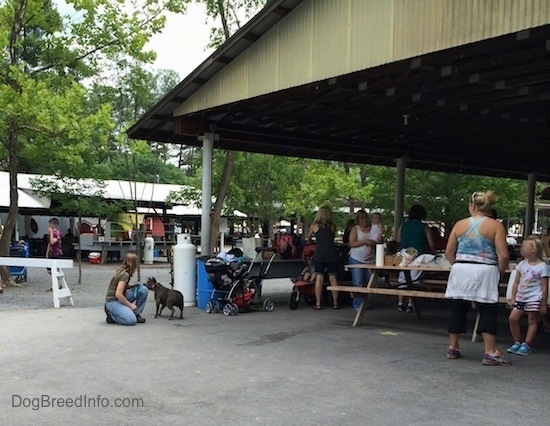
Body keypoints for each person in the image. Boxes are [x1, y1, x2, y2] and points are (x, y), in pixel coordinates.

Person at [444, 191, 510, 365]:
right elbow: (503, 255)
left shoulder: (459, 225)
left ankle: (453, 346)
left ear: (472, 205)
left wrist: (457, 265)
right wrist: (500, 273)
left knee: (457, 308)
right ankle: (489, 351)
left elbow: (449, 252)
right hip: (485, 270)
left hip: (461, 268)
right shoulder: (496, 226)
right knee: (488, 309)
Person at [506, 235, 549, 356]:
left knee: (532, 320)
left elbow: (545, 287)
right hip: (521, 296)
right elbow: (516, 282)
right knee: (512, 318)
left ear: (533, 249)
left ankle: (527, 343)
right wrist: (513, 297)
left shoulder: (543, 267)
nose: (522, 249)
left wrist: (544, 304)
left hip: (534, 297)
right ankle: (517, 341)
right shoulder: (521, 265)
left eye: (525, 247)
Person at [395, 205, 435, 312]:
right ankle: (410, 304)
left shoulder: (403, 225)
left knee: (402, 279)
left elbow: (398, 240)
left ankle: (400, 303)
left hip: (404, 254)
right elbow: (431, 245)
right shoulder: (424, 227)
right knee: (413, 281)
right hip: (418, 256)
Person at [306, 206, 341, 310]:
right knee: (333, 278)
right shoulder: (333, 226)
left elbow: (308, 239)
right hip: (332, 254)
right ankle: (335, 303)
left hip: (320, 254)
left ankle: (318, 304)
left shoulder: (315, 225)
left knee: (319, 278)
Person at [104, 253, 148, 325]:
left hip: (119, 297)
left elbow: (122, 288)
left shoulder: (123, 271)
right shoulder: (125, 275)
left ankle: (136, 313)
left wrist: (134, 286)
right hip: (113, 301)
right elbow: (118, 294)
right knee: (131, 320)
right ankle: (112, 315)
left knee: (143, 290)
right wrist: (130, 305)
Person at [348, 211, 377, 311]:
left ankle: (366, 302)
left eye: (365, 218)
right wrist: (365, 241)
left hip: (370, 259)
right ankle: (357, 304)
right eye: (362, 218)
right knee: (358, 281)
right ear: (358, 220)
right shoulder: (355, 229)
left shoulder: (372, 229)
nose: (364, 220)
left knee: (369, 281)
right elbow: (351, 243)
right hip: (356, 258)